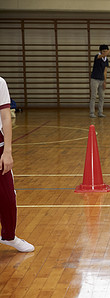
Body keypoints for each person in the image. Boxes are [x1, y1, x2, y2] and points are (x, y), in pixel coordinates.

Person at [0, 77, 34, 252]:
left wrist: (7, 151)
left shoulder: (0, 83)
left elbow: (6, 117)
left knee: (7, 197)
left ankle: (9, 236)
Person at [90, 43, 110, 118]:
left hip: (101, 79)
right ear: (100, 51)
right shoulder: (97, 56)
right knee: (93, 96)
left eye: (106, 51)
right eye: (103, 51)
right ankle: (92, 112)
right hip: (94, 79)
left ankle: (100, 112)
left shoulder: (106, 60)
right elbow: (103, 55)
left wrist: (105, 81)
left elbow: (105, 71)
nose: (105, 53)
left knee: (101, 96)